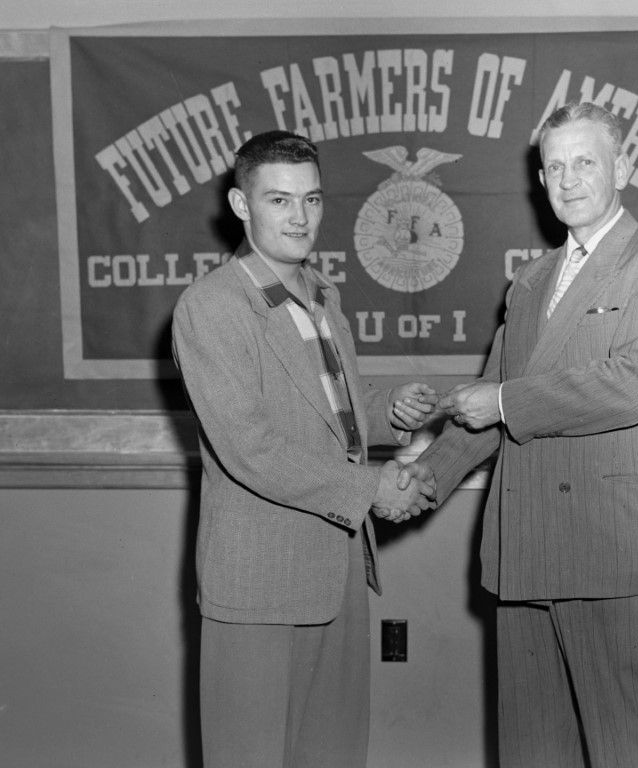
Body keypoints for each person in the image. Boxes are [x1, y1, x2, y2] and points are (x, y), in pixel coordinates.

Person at [400, 102, 638, 767]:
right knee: (532, 754)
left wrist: (501, 401)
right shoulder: (530, 281)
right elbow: (487, 407)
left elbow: (635, 386)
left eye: (584, 162)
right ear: (540, 180)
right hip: (523, 548)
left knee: (633, 751)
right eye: (554, 167)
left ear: (621, 168)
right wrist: (419, 481)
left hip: (610, 550)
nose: (568, 180)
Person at [172, 130, 437, 768]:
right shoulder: (211, 307)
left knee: (335, 754)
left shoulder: (322, 296)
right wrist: (372, 488)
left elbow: (327, 409)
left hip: (336, 567)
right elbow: (251, 448)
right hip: (259, 578)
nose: (300, 218)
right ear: (241, 205)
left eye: (311, 200)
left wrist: (388, 410)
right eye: (280, 200)